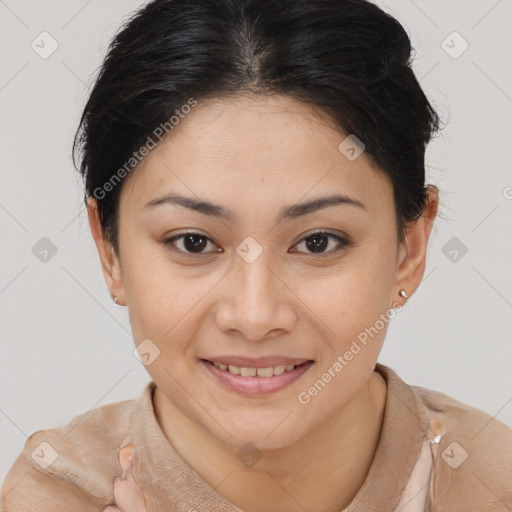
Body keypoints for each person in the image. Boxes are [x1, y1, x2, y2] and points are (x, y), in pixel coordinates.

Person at [2, 0, 511, 511]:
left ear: (411, 248)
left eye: (318, 242)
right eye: (193, 242)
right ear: (109, 250)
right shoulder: (52, 495)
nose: (254, 316)